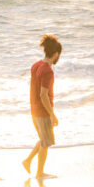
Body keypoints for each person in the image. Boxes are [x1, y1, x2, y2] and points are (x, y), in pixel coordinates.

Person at [23, 34, 61, 178]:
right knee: (46, 142)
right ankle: (40, 173)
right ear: (56, 54)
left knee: (43, 139)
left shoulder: (36, 65)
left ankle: (27, 161)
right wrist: (52, 114)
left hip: (34, 110)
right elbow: (43, 95)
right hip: (42, 111)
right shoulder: (48, 71)